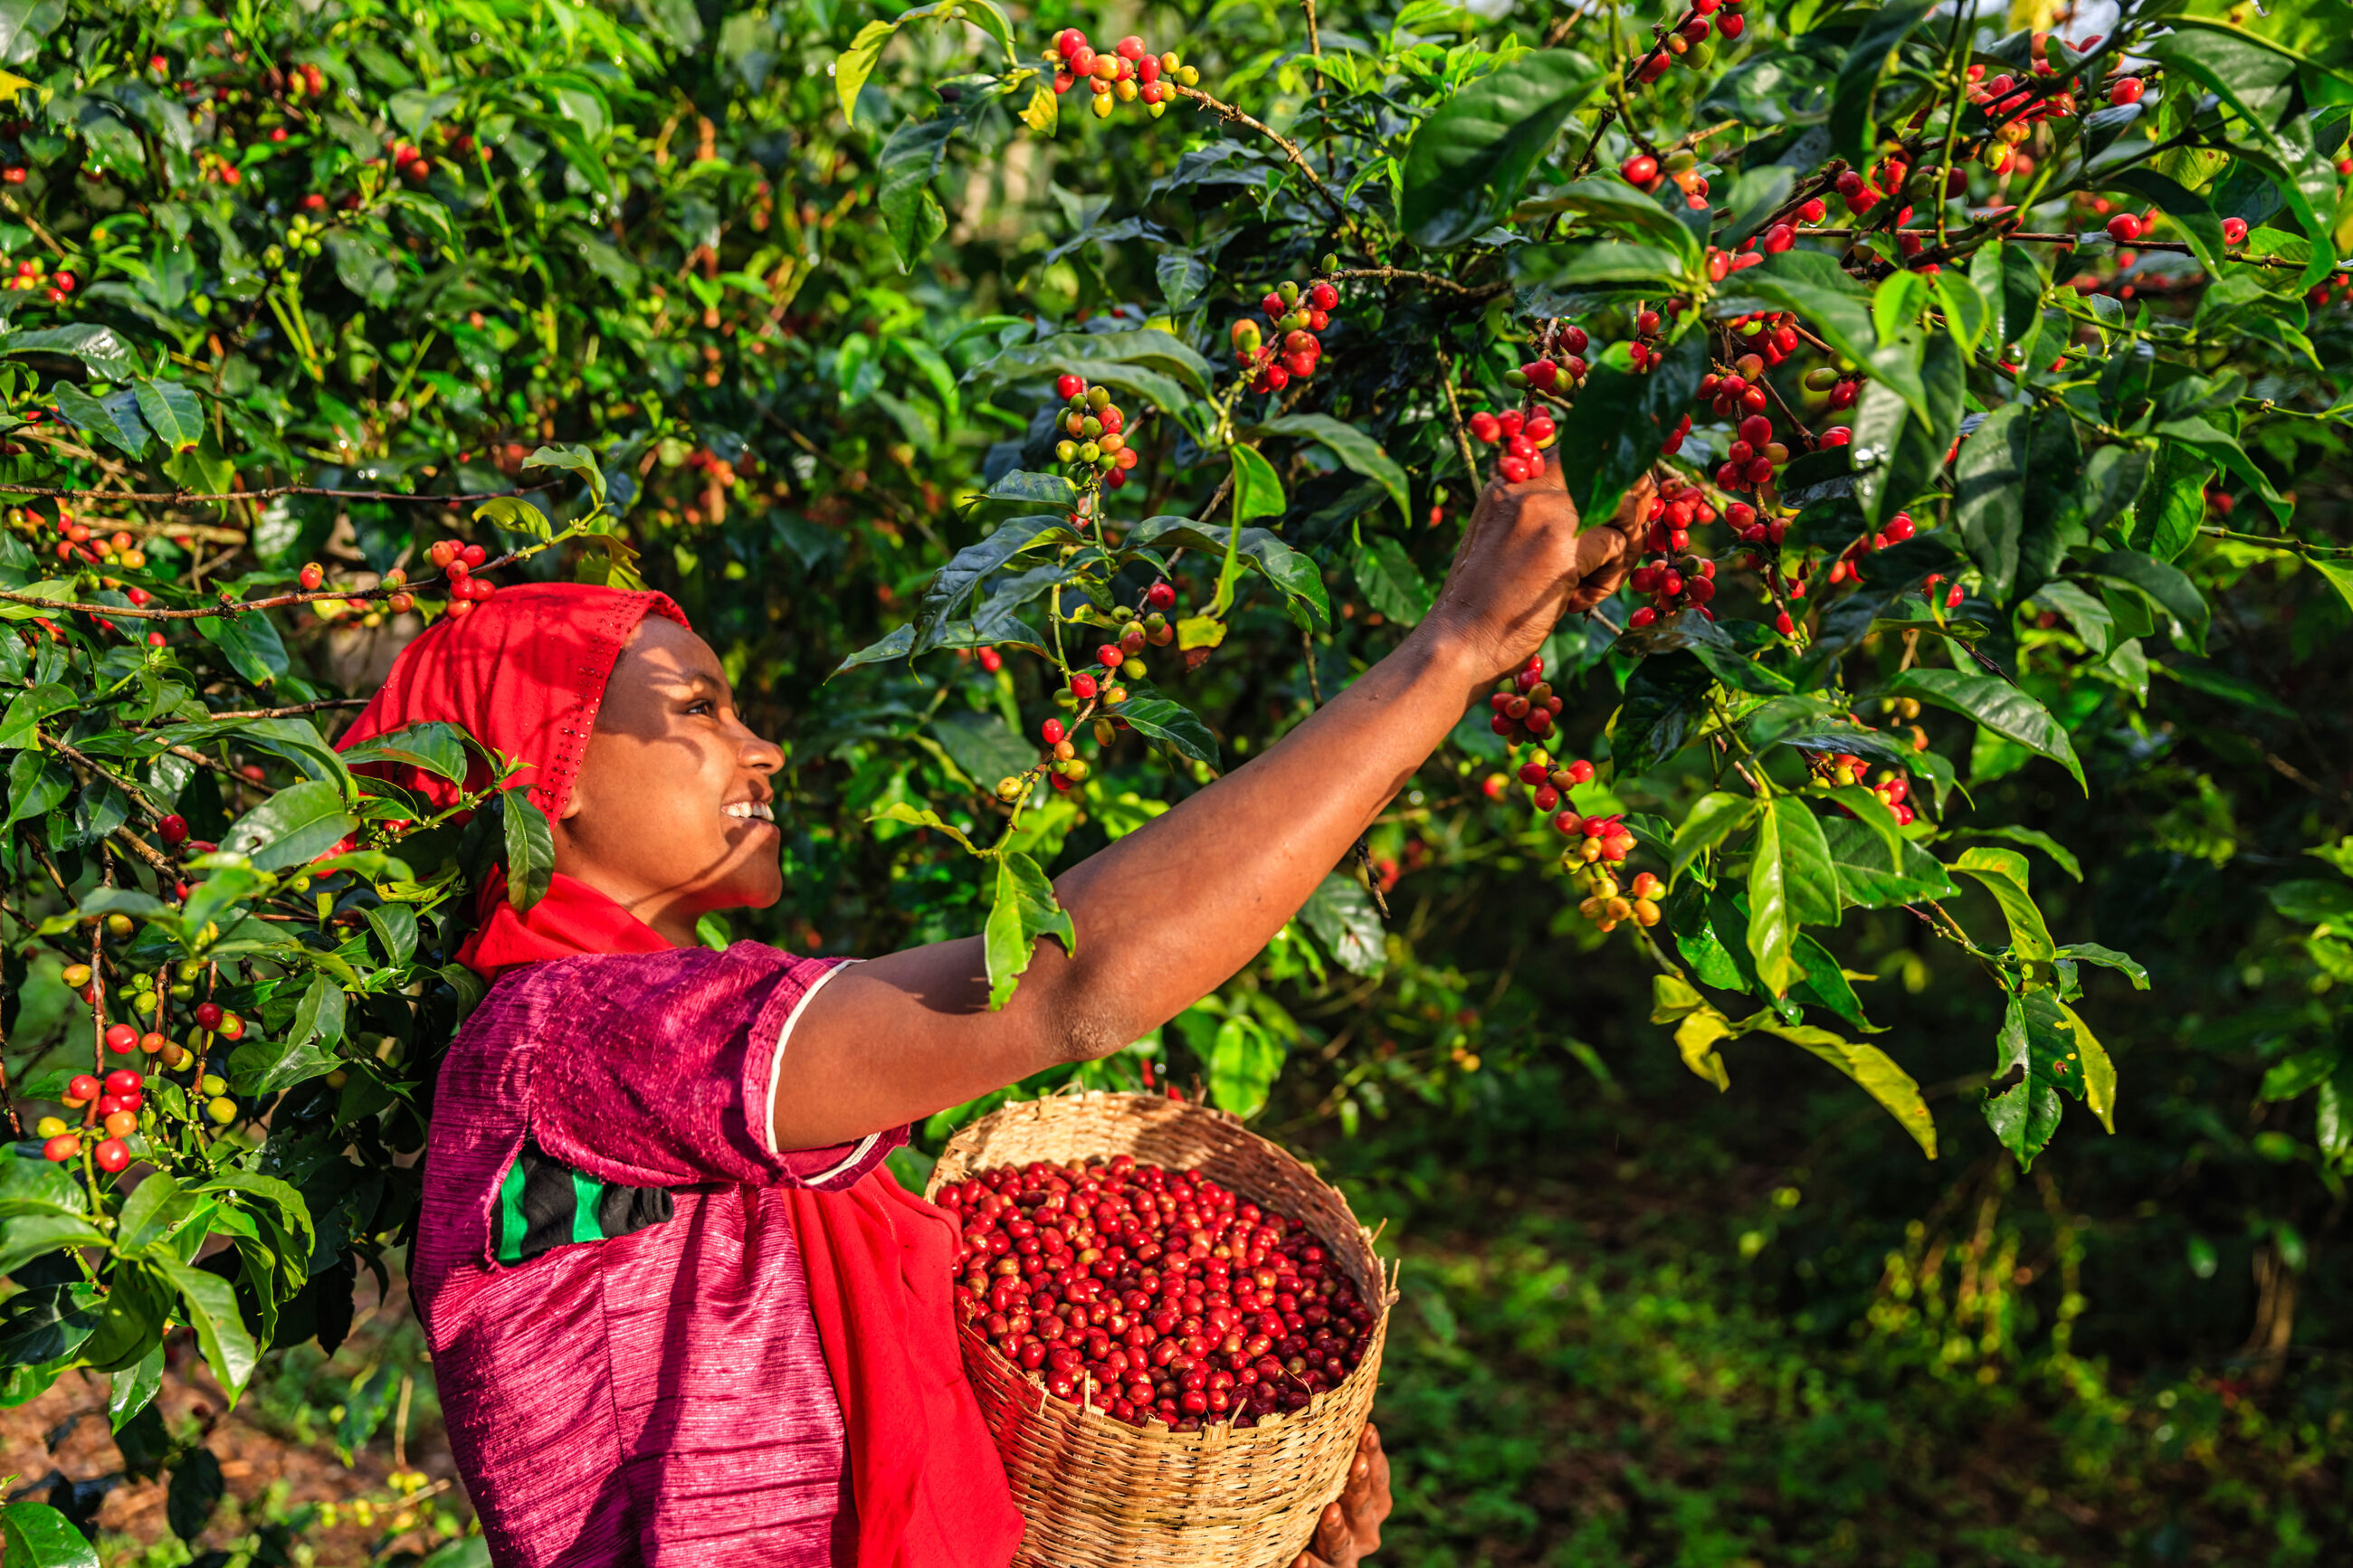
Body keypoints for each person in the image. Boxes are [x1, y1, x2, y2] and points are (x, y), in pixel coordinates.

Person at [337, 457, 1641, 1567]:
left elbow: (882, 1428)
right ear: (539, 774)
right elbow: (1071, 982)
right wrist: (1447, 653)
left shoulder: (665, 1052)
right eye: (699, 708)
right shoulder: (568, 1034)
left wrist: (1221, 1513)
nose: (762, 746)